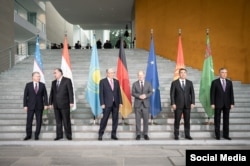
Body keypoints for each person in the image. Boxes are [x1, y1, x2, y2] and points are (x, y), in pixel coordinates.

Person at [49, 68, 74, 140]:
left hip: (65, 104)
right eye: (54, 73)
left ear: (60, 73)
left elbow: (70, 92)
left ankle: (68, 135)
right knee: (58, 121)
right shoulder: (53, 82)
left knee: (66, 121)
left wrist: (71, 102)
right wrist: (50, 103)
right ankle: (59, 135)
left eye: (55, 73)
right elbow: (52, 93)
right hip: (56, 105)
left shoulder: (67, 80)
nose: (54, 74)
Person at [98, 68, 123, 141]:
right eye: (110, 73)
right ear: (107, 73)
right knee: (104, 120)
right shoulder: (102, 81)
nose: (112, 74)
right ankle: (100, 134)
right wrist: (102, 103)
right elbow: (101, 93)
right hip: (106, 104)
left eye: (113, 73)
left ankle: (113, 134)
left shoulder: (116, 81)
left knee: (115, 120)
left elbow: (119, 92)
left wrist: (121, 102)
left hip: (116, 103)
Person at [170, 68, 195, 140]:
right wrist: (173, 103)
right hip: (178, 105)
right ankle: (176, 135)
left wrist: (193, 102)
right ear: (179, 74)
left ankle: (187, 135)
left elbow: (192, 93)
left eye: (184, 73)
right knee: (177, 120)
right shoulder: (174, 83)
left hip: (187, 105)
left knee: (187, 121)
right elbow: (172, 94)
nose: (183, 74)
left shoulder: (190, 83)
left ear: (186, 74)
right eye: (181, 72)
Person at [210, 67, 234, 140]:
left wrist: (232, 103)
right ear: (219, 73)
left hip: (227, 104)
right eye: (222, 72)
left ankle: (226, 135)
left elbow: (231, 94)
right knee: (217, 120)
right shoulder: (215, 82)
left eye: (225, 72)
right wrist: (212, 103)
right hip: (217, 104)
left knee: (226, 120)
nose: (224, 74)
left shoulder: (229, 82)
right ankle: (217, 135)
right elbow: (212, 93)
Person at [23, 72, 48, 140]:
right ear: (33, 77)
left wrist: (46, 104)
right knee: (29, 121)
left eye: (39, 76)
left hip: (39, 106)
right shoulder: (28, 85)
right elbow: (25, 96)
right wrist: (25, 105)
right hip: (30, 106)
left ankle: (37, 135)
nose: (39, 77)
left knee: (39, 121)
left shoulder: (42, 85)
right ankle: (28, 135)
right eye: (37, 76)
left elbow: (45, 95)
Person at [132, 71, 153, 140]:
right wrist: (139, 96)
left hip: (145, 105)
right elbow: (133, 93)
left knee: (146, 120)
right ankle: (138, 134)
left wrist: (146, 95)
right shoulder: (135, 84)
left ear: (144, 75)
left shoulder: (148, 83)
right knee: (137, 120)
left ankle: (145, 134)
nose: (140, 77)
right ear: (137, 76)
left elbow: (151, 92)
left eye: (141, 75)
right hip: (138, 104)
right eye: (139, 75)